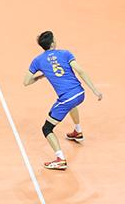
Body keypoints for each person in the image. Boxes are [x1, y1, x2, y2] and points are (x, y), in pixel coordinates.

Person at [23, 30, 102, 171]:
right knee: (71, 104)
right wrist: (95, 90)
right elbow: (80, 71)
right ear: (53, 43)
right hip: (80, 94)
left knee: (46, 128)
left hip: (66, 98)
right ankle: (78, 132)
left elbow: (26, 82)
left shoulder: (37, 61)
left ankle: (60, 159)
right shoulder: (66, 53)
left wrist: (40, 77)